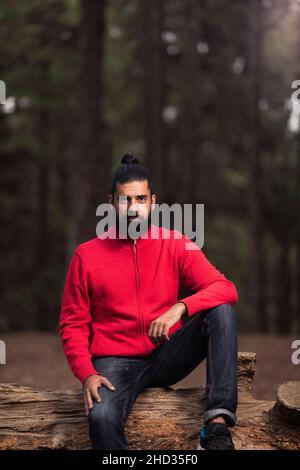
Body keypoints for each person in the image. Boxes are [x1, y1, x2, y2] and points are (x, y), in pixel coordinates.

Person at [59, 153, 238, 450]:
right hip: (114, 363)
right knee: (101, 418)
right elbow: (72, 324)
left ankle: (216, 428)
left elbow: (226, 288)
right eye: (125, 200)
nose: (133, 208)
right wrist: (87, 373)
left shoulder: (175, 243)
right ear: (111, 202)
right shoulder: (87, 255)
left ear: (153, 201)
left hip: (166, 353)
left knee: (221, 311)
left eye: (140, 199)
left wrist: (181, 307)